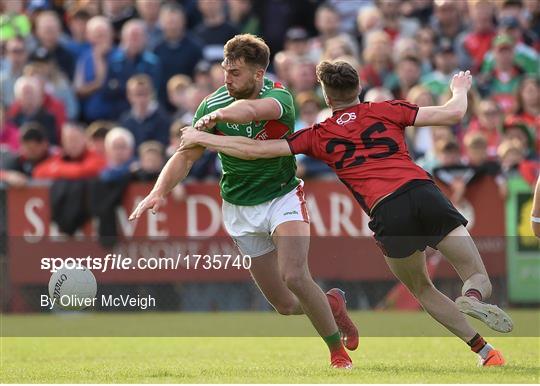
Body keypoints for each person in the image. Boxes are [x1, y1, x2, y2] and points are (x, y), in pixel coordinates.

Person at [180, 60, 514, 367]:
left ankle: (484, 351)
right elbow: (453, 113)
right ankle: (471, 297)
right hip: (423, 193)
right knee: (476, 275)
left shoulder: (319, 135)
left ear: (327, 96)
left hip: (386, 211)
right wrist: (460, 89)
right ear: (359, 88)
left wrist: (204, 139)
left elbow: (255, 151)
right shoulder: (387, 109)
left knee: (423, 289)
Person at [129, 34, 358, 369]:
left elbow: (250, 111)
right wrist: (158, 191)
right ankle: (333, 305)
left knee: (294, 275)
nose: (227, 78)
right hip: (239, 209)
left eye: (235, 72)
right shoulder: (210, 105)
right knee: (285, 304)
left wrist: (214, 121)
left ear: (258, 75)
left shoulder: (279, 95)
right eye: (225, 70)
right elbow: (185, 156)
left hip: (283, 197)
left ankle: (337, 353)